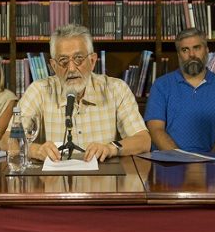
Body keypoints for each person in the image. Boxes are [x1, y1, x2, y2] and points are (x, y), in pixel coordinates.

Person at [18, 24, 150, 162]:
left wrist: (111, 148)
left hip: (104, 174)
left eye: (78, 59)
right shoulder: (39, 90)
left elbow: (143, 141)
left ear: (92, 61)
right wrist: (35, 150)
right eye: (63, 61)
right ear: (54, 66)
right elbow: (8, 139)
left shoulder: (116, 89)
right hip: (55, 174)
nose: (71, 68)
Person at [144, 28, 215, 153]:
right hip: (171, 161)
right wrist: (181, 159)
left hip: (214, 161)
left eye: (197, 48)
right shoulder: (161, 85)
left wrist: (210, 160)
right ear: (178, 54)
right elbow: (155, 129)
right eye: (185, 50)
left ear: (206, 50)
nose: (192, 54)